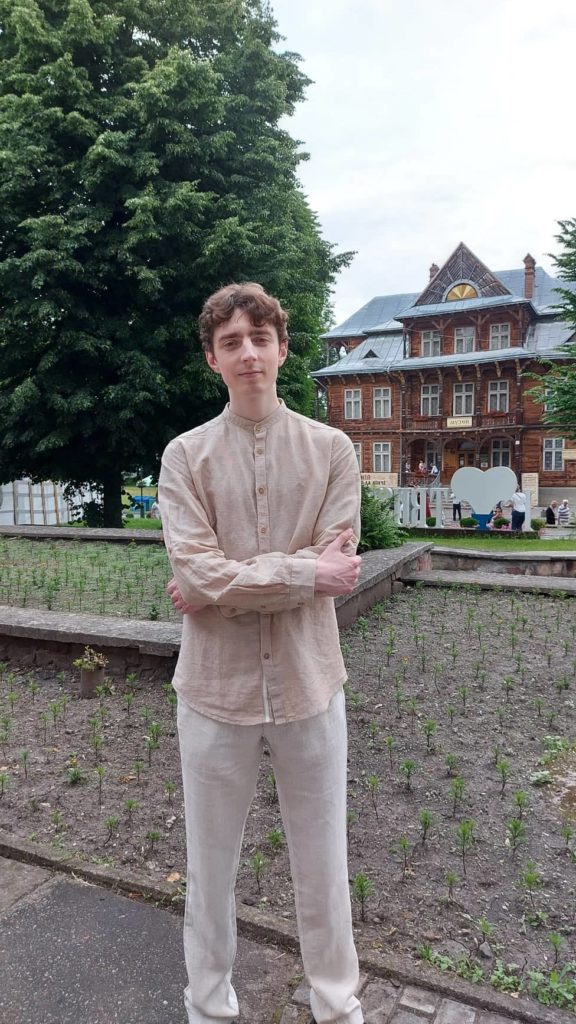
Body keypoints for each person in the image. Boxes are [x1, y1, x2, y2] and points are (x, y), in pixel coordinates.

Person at [158, 283, 364, 1024]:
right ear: (212, 359)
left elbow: (335, 565)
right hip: (216, 693)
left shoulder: (333, 449)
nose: (247, 353)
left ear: (282, 348)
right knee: (210, 865)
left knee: (324, 860)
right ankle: (208, 1006)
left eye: (259, 338)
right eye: (231, 342)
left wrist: (222, 586)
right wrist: (302, 574)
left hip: (311, 685)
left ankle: (337, 1004)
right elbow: (197, 574)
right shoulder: (185, 456)